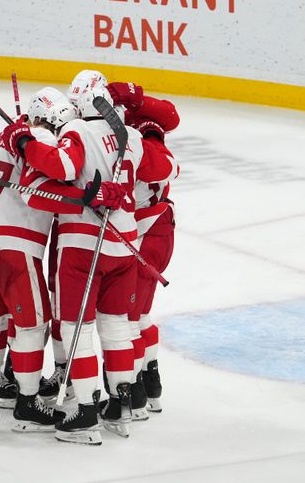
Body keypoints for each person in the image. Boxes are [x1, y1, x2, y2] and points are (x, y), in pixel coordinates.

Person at [6, 72, 177, 444]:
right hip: (124, 244)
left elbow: (62, 167)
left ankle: (84, 412)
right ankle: (121, 406)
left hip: (84, 246)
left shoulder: (78, 132)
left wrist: (23, 143)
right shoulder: (129, 137)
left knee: (77, 329)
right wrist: (150, 134)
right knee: (116, 326)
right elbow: (166, 169)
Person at [0, 87, 123, 437]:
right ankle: (27, 403)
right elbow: (38, 190)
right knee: (31, 326)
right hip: (13, 248)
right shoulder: (44, 141)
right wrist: (91, 196)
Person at [106, 81, 181, 418]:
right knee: (142, 313)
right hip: (161, 229)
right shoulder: (160, 150)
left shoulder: (136, 149)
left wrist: (133, 101)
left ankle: (133, 390)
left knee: (129, 318)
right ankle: (151, 382)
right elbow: (168, 116)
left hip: (145, 234)